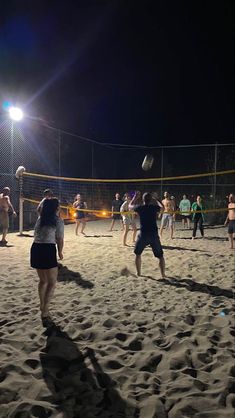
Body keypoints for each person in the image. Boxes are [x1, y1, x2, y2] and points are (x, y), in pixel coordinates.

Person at [30, 198, 64, 320]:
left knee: (43, 280)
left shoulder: (41, 218)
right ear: (56, 208)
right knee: (52, 282)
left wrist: (45, 199)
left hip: (36, 248)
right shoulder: (58, 220)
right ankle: (45, 310)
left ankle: (42, 305)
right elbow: (59, 239)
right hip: (47, 249)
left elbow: (39, 209)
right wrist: (60, 251)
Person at [130, 192, 165, 278]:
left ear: (143, 199)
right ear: (151, 200)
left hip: (143, 234)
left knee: (138, 254)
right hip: (153, 234)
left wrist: (134, 197)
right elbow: (163, 208)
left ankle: (138, 273)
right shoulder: (154, 207)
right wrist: (157, 199)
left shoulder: (140, 208)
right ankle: (163, 274)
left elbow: (130, 207)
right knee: (160, 256)